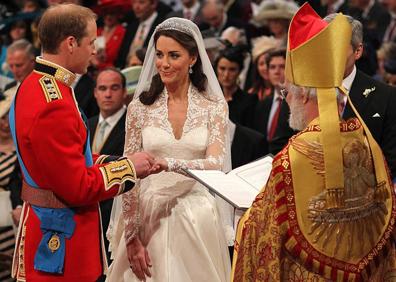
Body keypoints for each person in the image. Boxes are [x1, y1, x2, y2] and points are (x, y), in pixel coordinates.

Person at [232, 3, 396, 281]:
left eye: (289, 94)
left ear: (305, 96)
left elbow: (263, 228)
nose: (287, 100)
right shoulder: (362, 137)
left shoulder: (295, 155)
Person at [10, 4, 160, 281]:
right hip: (60, 237)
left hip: (47, 223)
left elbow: (63, 159)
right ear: (70, 43)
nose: (94, 49)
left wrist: (107, 160)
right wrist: (128, 169)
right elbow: (77, 187)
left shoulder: (36, 84)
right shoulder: (53, 103)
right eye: (91, 42)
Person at [106, 17, 231, 281]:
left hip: (197, 215)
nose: (164, 63)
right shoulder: (139, 108)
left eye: (174, 55)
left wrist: (170, 163)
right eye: (160, 55)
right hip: (149, 215)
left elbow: (216, 163)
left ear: (193, 59)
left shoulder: (214, 106)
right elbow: (129, 174)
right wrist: (131, 235)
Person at [324, 13, 396, 179]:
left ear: (358, 51)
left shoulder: (386, 96)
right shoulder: (303, 92)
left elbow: (391, 158)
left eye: (338, 47)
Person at [88, 67, 128, 281]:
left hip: (114, 211)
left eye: (114, 88)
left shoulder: (131, 125)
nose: (108, 94)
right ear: (95, 93)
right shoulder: (88, 123)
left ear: (124, 91)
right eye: (102, 88)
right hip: (87, 212)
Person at [0, 93, 22, 282]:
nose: (5, 123)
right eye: (1, 118)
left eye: (8, 117)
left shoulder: (23, 147)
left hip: (14, 216)